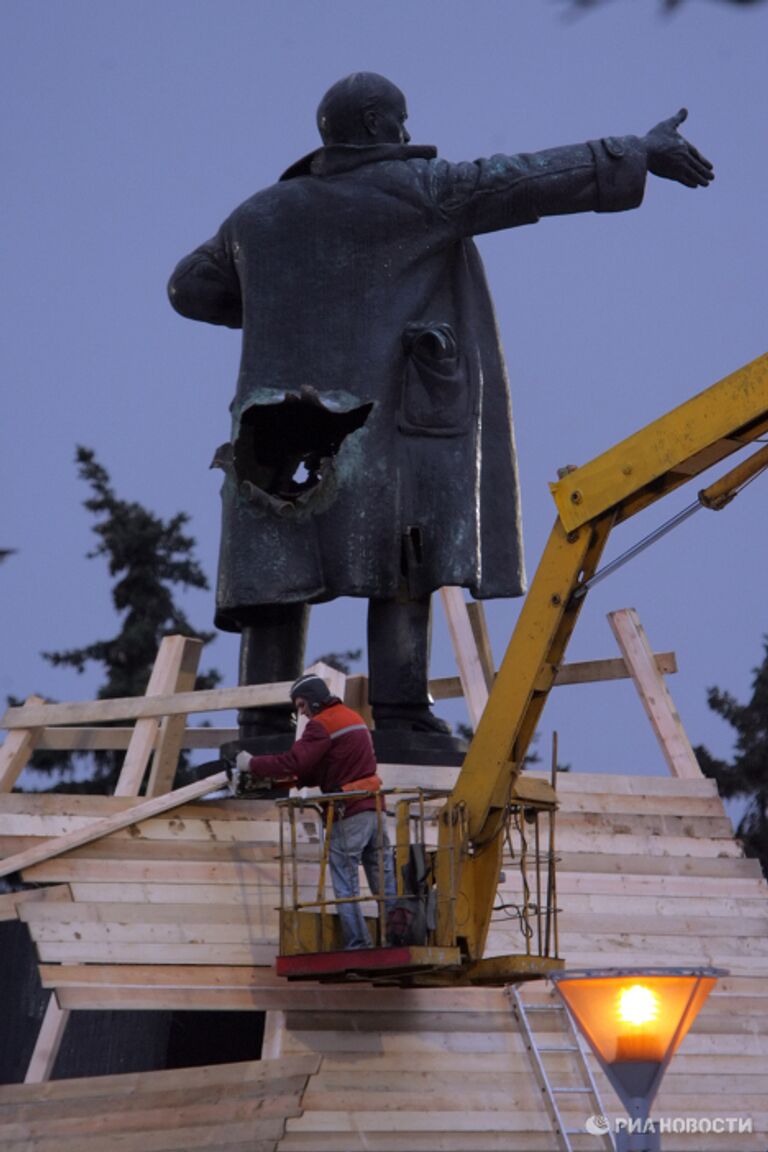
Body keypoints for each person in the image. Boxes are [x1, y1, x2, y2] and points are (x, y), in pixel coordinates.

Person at [169, 73, 714, 746]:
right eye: (400, 119)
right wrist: (637, 150)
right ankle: (400, 718)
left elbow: (188, 287)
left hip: (277, 433)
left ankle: (262, 726)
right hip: (383, 422)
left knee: (279, 566)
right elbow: (524, 179)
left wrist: (292, 308)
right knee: (403, 555)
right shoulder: (421, 191)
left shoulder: (258, 215)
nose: (406, 131)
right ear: (376, 124)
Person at [233, 673, 396, 950]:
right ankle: (397, 937)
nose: (302, 713)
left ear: (314, 701)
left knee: (345, 884)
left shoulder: (321, 725)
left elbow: (295, 761)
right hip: (375, 808)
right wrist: (285, 781)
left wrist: (253, 765)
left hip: (349, 813)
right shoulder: (352, 718)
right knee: (385, 881)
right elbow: (326, 767)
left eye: (301, 705)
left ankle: (358, 944)